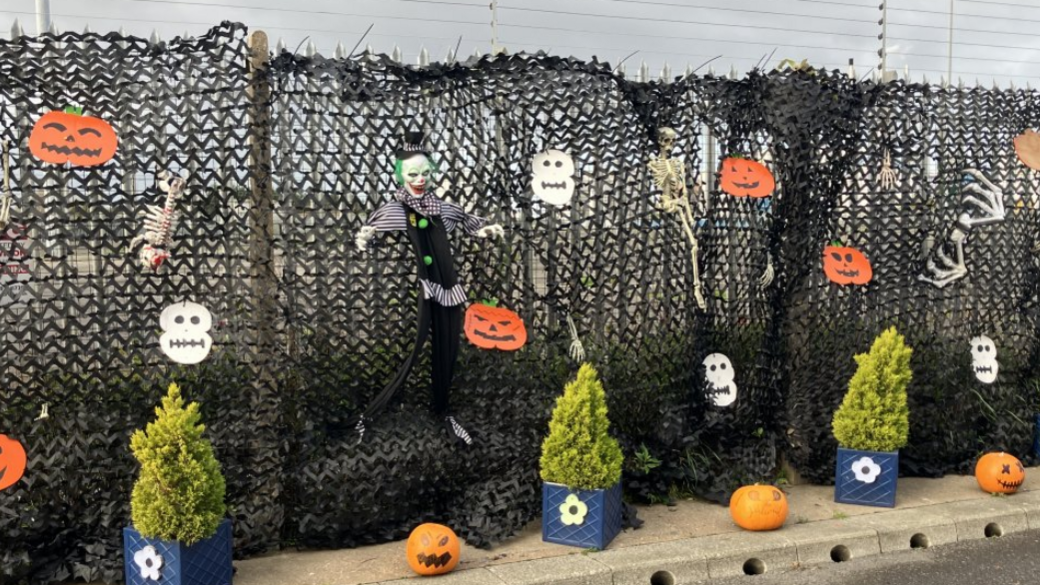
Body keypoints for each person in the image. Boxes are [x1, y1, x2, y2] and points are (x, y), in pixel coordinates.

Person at [354, 131, 504, 445]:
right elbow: (373, 226)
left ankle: (442, 406)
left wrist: (483, 228)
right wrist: (366, 236)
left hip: (447, 286)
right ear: (400, 175)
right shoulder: (395, 209)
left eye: (425, 173)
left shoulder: (442, 208)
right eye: (412, 174)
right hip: (418, 289)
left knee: (447, 344)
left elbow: (464, 219)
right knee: (416, 342)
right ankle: (377, 409)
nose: (419, 179)